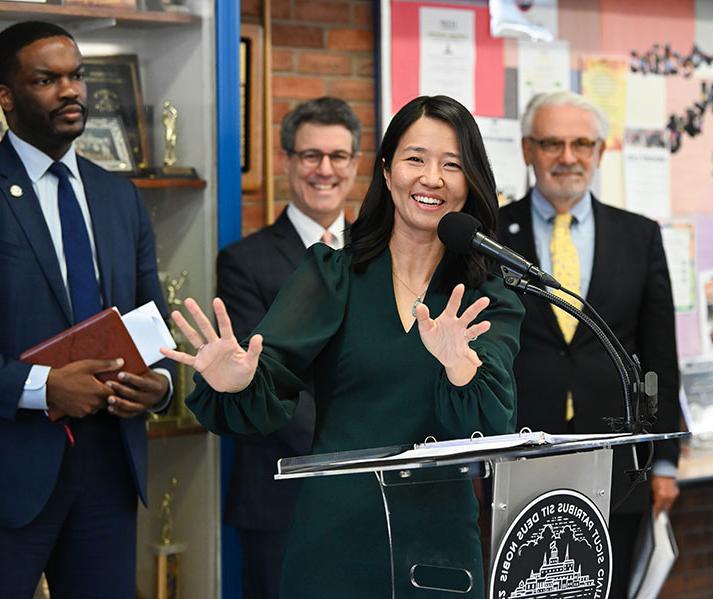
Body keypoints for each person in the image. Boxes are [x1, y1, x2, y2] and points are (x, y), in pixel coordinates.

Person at [164, 95, 523, 597]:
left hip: (439, 543)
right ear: (386, 169)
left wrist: (460, 367)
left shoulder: (489, 295)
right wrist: (237, 381)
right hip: (335, 536)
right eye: (415, 159)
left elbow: (490, 434)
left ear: (472, 182)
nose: (432, 178)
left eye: (452, 165)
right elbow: (270, 378)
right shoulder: (334, 274)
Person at [0, 21, 171, 597]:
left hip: (109, 465)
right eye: (47, 79)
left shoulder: (118, 194)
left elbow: (152, 317)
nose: (70, 91)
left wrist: (162, 385)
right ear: (6, 96)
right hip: (13, 472)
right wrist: (42, 388)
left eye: (76, 76)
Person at [497, 90, 681, 597]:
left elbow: (659, 354)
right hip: (518, 454)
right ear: (527, 150)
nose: (568, 157)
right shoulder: (490, 235)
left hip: (617, 460)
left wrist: (664, 460)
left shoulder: (639, 235)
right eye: (552, 143)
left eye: (582, 143)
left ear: (600, 152)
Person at [216, 96, 360, 599]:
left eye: (338, 156)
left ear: (356, 165)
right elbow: (262, 380)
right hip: (284, 499)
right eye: (310, 156)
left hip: (379, 495)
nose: (325, 170)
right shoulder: (243, 263)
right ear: (286, 162)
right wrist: (351, 451)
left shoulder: (384, 254)